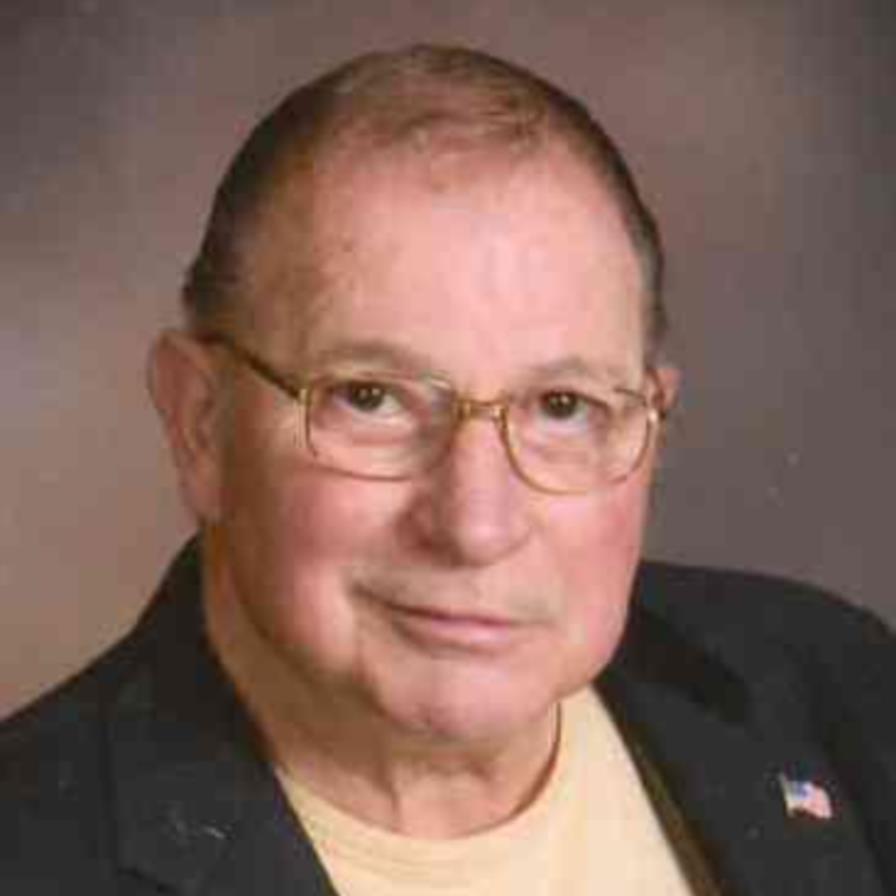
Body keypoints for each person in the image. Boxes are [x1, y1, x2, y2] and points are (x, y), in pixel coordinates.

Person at [2, 44, 895, 895]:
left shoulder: (836, 688)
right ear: (200, 423)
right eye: (372, 398)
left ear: (650, 432)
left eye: (562, 406)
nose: (475, 525)